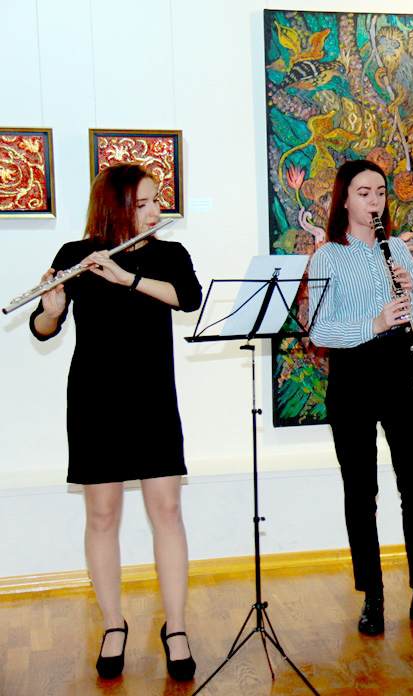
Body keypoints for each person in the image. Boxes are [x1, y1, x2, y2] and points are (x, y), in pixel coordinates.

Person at [30, 164, 202, 680]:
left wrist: (127, 278)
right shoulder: (75, 255)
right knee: (102, 516)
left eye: (156, 200)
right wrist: (50, 309)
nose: (156, 210)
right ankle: (113, 624)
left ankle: (175, 628)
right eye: (144, 203)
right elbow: (42, 329)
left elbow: (189, 298)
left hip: (151, 397)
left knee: (167, 510)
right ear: (118, 207)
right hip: (95, 398)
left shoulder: (170, 255)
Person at [308, 159, 413, 636]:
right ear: (344, 199)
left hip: (399, 371)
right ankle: (372, 595)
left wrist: (412, 288)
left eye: (380, 192)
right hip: (352, 375)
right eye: (364, 192)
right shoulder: (328, 256)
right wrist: (373, 322)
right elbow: (319, 330)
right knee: (361, 491)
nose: (374, 201)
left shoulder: (396, 249)